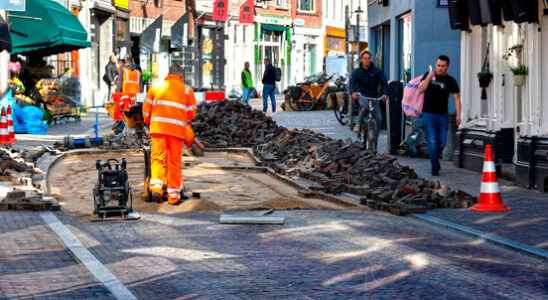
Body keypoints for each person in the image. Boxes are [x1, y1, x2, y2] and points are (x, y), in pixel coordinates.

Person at [142, 64, 197, 205]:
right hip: (176, 132)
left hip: (158, 129)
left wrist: (148, 121)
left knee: (158, 159)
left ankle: (156, 189)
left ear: (168, 73)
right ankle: (173, 196)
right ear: (180, 75)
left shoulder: (156, 87)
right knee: (174, 162)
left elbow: (146, 109)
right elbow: (191, 113)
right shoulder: (186, 90)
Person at [418, 55, 462, 176]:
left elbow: (457, 98)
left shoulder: (450, 80)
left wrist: (458, 115)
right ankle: (435, 166)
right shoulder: (428, 75)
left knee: (442, 143)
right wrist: (429, 77)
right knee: (432, 141)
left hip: (443, 116)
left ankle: (435, 159)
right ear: (436, 64)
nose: (440, 68)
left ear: (447, 66)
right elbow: (420, 89)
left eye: (443, 66)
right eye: (438, 65)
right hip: (428, 115)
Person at [349, 50, 388, 148]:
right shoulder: (357, 72)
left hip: (374, 97)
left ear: (371, 59)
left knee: (379, 119)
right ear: (361, 60)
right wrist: (353, 92)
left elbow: (384, 83)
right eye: (364, 58)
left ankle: (376, 138)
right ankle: (358, 124)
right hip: (362, 96)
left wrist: (385, 94)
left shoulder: (376, 71)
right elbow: (352, 83)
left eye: (368, 58)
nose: (367, 60)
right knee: (365, 106)